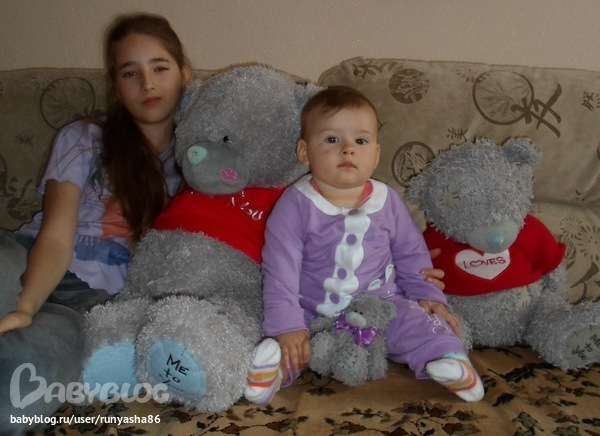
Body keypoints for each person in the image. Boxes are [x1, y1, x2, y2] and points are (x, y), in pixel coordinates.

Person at [0, 12, 190, 434]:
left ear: (184, 74)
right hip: (32, 259)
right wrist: (25, 305)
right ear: (116, 87)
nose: (147, 84)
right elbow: (55, 237)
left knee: (13, 409)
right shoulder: (85, 137)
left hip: (88, 310)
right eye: (130, 72)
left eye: (160, 68)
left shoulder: (201, 164)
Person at [244, 86, 484, 405]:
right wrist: (287, 326)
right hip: (312, 310)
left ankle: (450, 361)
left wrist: (427, 295)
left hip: (381, 304)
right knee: (290, 342)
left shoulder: (387, 201)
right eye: (332, 139)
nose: (348, 150)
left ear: (376, 154)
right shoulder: (295, 204)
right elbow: (281, 270)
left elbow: (412, 255)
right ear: (304, 152)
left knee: (419, 321)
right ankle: (271, 373)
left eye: (360, 141)